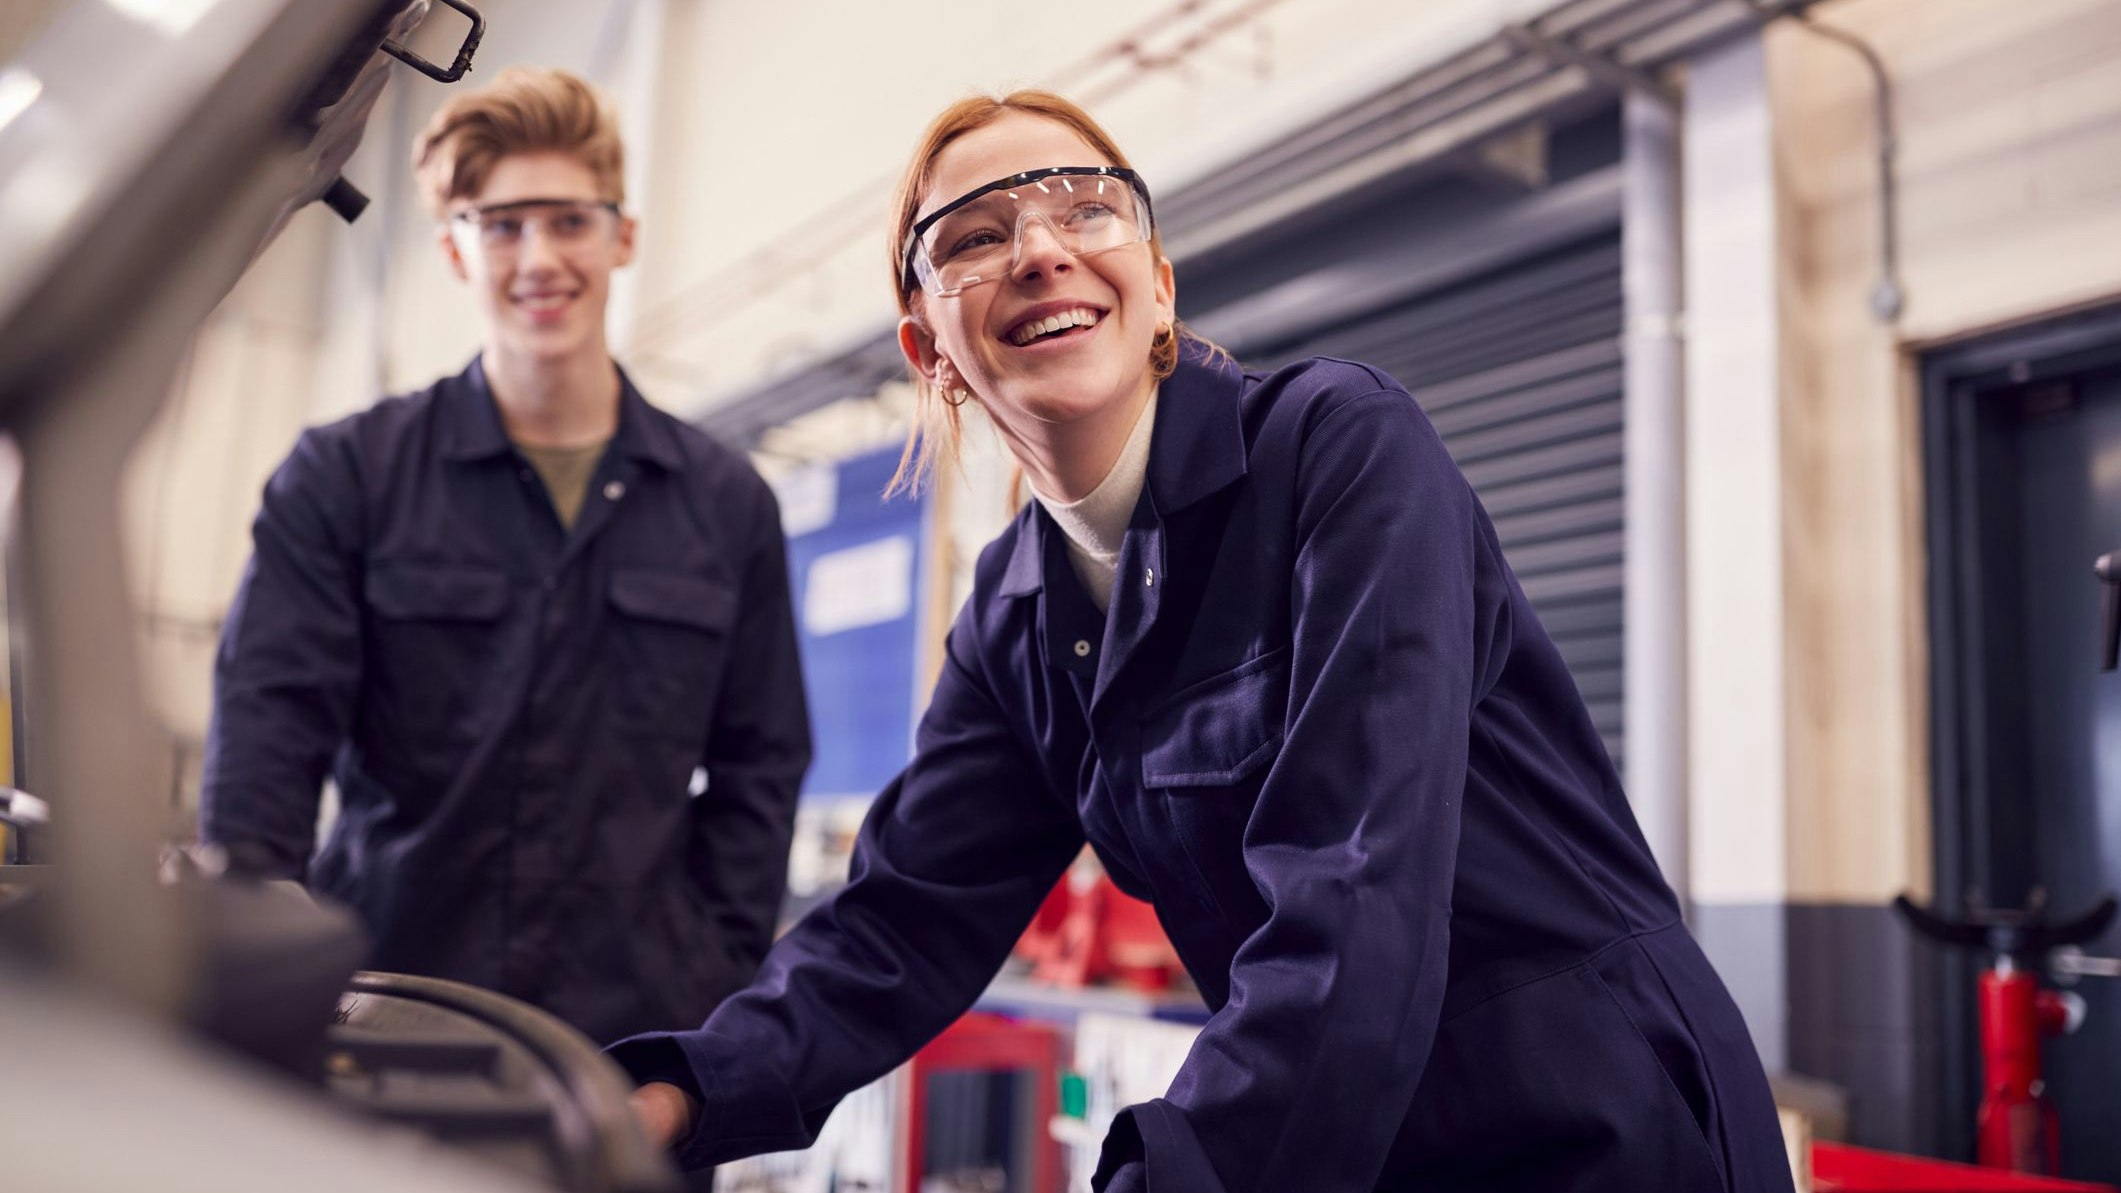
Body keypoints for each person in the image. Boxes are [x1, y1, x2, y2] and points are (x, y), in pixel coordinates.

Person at [615, 89, 1791, 1193]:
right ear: (932, 352)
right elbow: (902, 920)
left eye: (1086, 207)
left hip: (1589, 1111)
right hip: (1342, 1139)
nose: (1039, 247)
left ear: (1160, 288)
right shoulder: (1016, 614)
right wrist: (672, 1093)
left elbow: (1357, 883)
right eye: (973, 236)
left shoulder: (1338, 447)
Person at [198, 67, 811, 1049]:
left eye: (569, 221)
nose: (539, 257)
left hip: (631, 1051)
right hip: (381, 1027)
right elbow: (265, 744)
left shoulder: (724, 502)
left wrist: (712, 969)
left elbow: (762, 766)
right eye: (503, 225)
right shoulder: (346, 478)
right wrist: (269, 966)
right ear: (454, 248)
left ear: (623, 236)